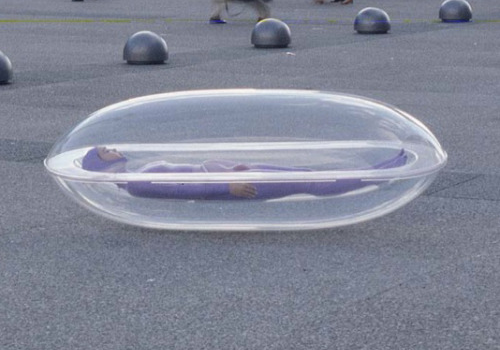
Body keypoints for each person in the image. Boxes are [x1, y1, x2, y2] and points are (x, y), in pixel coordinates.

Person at [81, 146, 408, 201]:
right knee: (310, 182)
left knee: (308, 174)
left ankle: (377, 171)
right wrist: (229, 185)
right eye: (104, 151)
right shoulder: (138, 185)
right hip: (238, 185)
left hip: (235, 176)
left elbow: (193, 173)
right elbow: (186, 190)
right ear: (102, 165)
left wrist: (223, 167)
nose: (112, 149)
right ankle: (377, 175)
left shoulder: (139, 176)